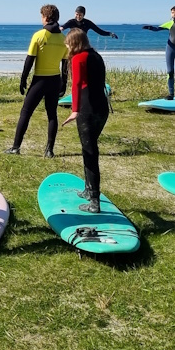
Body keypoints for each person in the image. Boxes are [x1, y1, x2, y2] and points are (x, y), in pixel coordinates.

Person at [6, 4, 69, 158]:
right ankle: (49, 150)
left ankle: (15, 147)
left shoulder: (39, 35)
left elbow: (29, 61)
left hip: (39, 80)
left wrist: (23, 79)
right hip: (55, 80)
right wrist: (64, 83)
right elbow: (65, 64)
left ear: (46, 18)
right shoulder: (63, 38)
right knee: (52, 114)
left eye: (41, 16)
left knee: (26, 113)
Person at [60, 28, 111, 213]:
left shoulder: (78, 58)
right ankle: (88, 189)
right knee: (88, 147)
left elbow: (76, 84)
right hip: (101, 108)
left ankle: (94, 201)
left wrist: (74, 110)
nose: (66, 46)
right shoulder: (96, 56)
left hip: (87, 110)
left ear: (74, 43)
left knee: (90, 152)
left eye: (67, 43)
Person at [142, 5, 175, 100]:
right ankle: (171, 94)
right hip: (170, 50)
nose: (174, 14)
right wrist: (149, 27)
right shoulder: (169, 24)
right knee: (170, 72)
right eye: (172, 12)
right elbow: (157, 29)